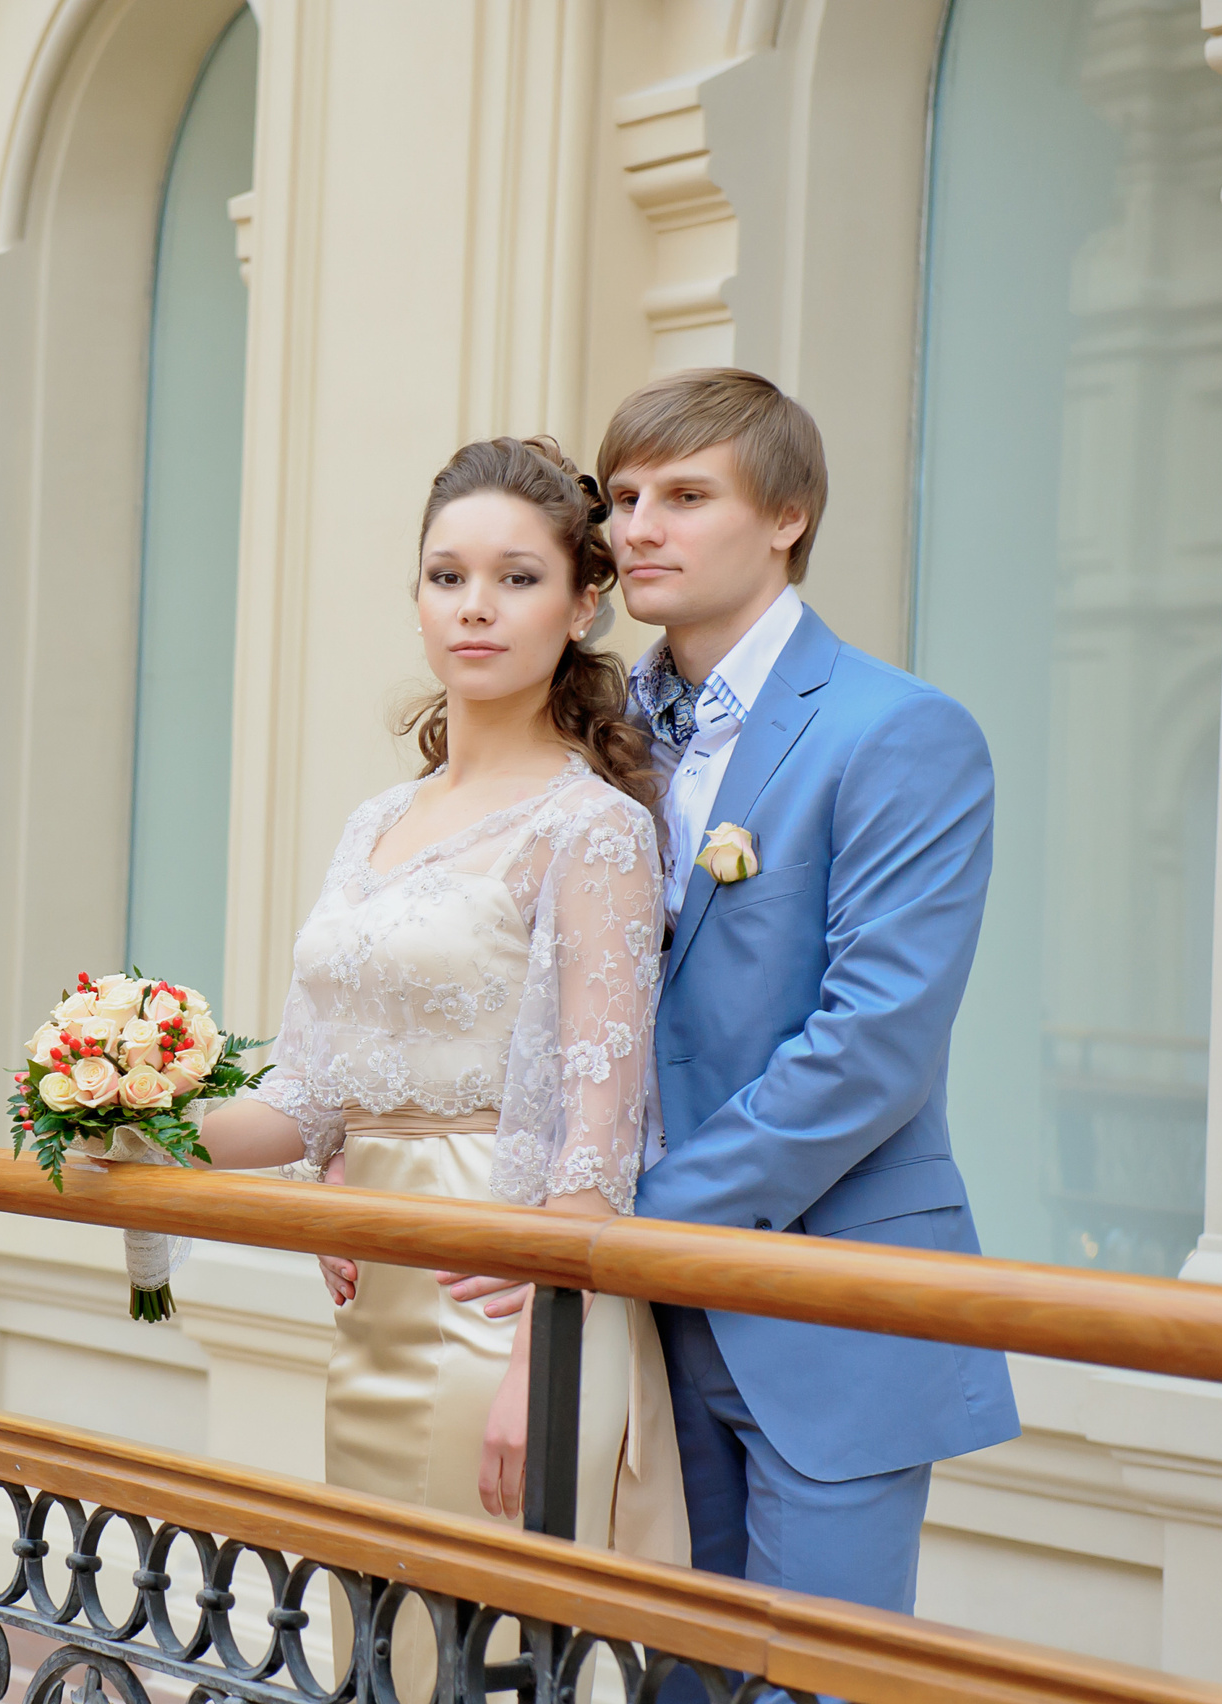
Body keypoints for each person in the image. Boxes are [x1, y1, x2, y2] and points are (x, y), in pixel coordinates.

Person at [195, 436, 687, 1570]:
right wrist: (139, 1116)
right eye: (446, 576)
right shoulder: (377, 821)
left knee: (481, 1650)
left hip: (506, 1300)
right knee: (378, 1640)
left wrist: (540, 1372)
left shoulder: (592, 827)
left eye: (518, 578)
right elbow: (304, 1099)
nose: (477, 607)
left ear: (580, 606)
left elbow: (598, 1147)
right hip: (377, 1288)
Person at [598, 367, 1019, 1614]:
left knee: (815, 1682)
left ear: (786, 516)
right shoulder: (598, 730)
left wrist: (636, 1229)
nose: (638, 528)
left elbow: (873, 1045)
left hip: (824, 1303)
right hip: (630, 1325)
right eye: (622, 498)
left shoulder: (898, 731)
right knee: (664, 1676)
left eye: (684, 494)